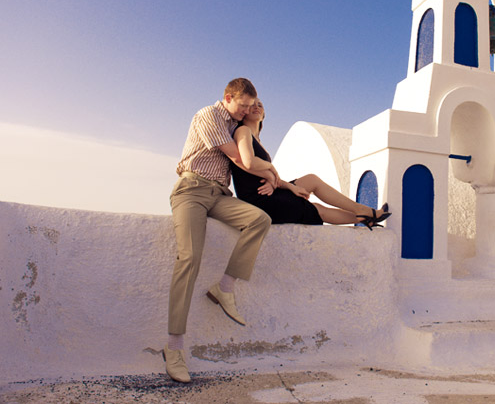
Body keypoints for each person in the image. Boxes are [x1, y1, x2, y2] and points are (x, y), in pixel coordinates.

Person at [164, 78, 279, 384]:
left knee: (259, 220)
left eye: (250, 106)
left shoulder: (236, 123)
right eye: (242, 105)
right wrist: (271, 170)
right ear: (228, 98)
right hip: (191, 191)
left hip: (219, 195)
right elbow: (242, 160)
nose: (246, 111)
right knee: (189, 259)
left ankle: (224, 287)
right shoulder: (209, 116)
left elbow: (250, 161)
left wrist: (272, 176)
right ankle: (174, 348)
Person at [230, 99, 391, 228]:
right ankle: (363, 214)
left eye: (260, 105)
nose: (256, 107)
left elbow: (267, 175)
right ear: (243, 112)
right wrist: (272, 174)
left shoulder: (258, 140)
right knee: (316, 209)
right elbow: (248, 164)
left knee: (312, 180)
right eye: (252, 105)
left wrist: (290, 186)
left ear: (264, 114)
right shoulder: (243, 131)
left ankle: (363, 213)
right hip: (259, 200)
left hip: (269, 191)